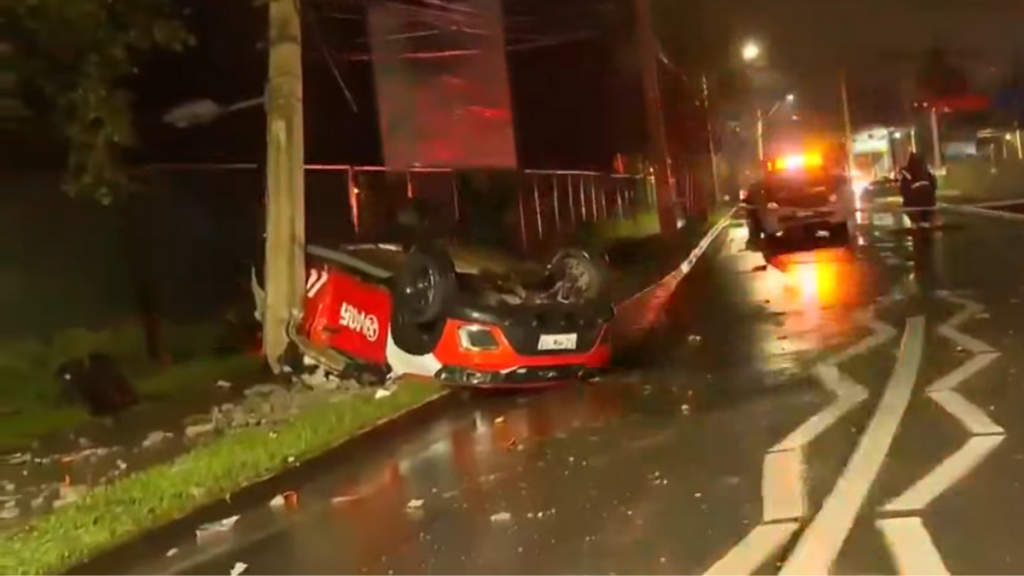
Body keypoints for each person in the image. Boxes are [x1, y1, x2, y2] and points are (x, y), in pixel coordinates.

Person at [898, 152, 938, 228]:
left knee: (916, 221)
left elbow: (903, 190)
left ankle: (918, 226)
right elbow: (934, 183)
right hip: (928, 198)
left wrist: (907, 199)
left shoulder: (907, 172)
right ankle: (925, 226)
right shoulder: (926, 171)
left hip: (914, 200)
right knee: (926, 219)